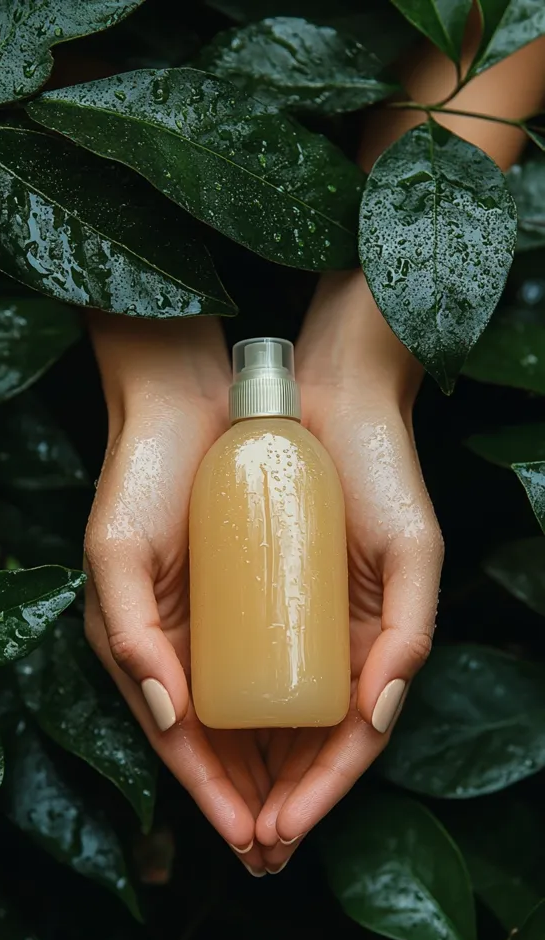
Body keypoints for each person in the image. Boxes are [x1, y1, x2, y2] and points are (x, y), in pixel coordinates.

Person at [83, 19, 545, 876]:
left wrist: (366, 362)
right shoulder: (245, 455)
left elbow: (498, 19)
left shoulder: (287, 453)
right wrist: (157, 379)